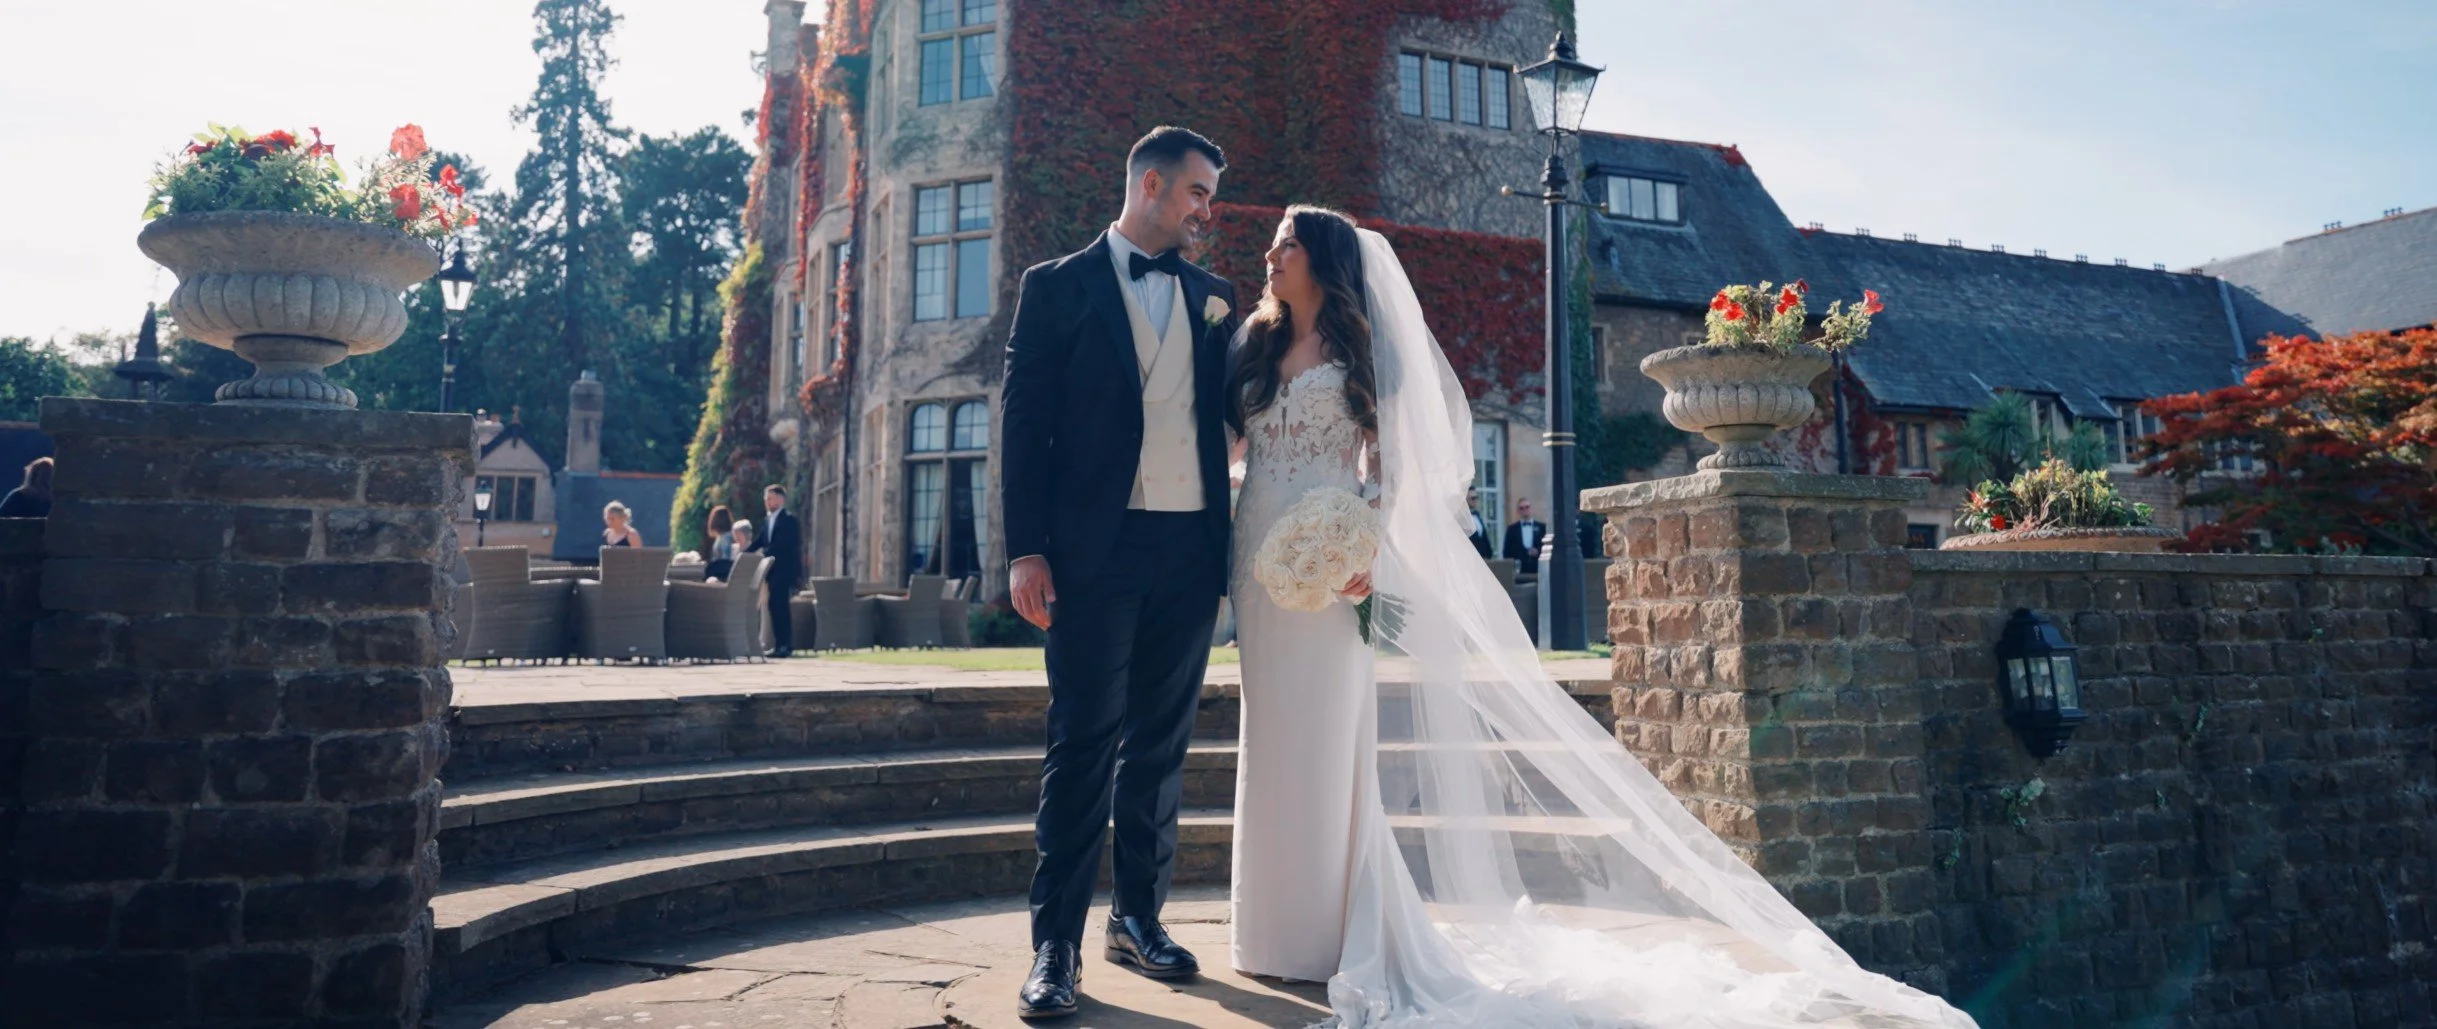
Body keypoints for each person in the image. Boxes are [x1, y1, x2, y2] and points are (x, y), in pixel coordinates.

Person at [1222, 206, 1976, 1028]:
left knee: (1327, 742)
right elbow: (1233, 450)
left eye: (1287, 244)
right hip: (1259, 559)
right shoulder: (1254, 348)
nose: (1271, 254)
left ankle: (1327, 932)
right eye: (1274, 244)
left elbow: (1398, 463)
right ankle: (1266, 928)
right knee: (1269, 739)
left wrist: (1367, 540)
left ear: (1322, 262)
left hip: (1333, 571)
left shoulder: (1360, 358)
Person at [999, 125, 1239, 1018]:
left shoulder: (1214, 295)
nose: (1206, 209)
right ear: (1149, 183)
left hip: (1189, 550)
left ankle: (1137, 917)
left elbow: (1240, 411)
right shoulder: (1054, 288)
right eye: (1197, 192)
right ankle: (1054, 947)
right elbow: (1024, 424)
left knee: (1161, 743)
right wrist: (1026, 548)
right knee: (1084, 740)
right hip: (1092, 552)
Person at [748, 484, 801, 657]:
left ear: (780, 499)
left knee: (781, 606)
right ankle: (778, 644)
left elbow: (784, 544)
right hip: (771, 571)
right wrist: (745, 553)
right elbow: (760, 541)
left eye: (770, 498)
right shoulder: (767, 521)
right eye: (766, 499)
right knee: (772, 606)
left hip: (784, 570)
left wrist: (765, 553)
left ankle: (786, 645)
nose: (767, 502)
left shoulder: (789, 520)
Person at [1501, 496, 1548, 577]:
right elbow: (1506, 552)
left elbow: (1548, 548)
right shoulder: (1512, 529)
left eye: (1527, 507)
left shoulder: (1542, 528)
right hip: (1519, 571)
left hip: (1538, 569)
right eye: (1521, 508)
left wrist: (1538, 552)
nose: (1525, 510)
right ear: (1518, 511)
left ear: (1531, 509)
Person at [708, 518, 752, 583]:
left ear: (747, 534)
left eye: (739, 534)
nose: (736, 537)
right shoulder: (733, 549)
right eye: (735, 534)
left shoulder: (755, 550)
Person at [1464, 485, 1493, 558]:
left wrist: (1489, 554)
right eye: (1472, 498)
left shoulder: (1477, 515)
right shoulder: (1461, 518)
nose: (1475, 500)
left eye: (1476, 498)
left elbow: (1484, 537)